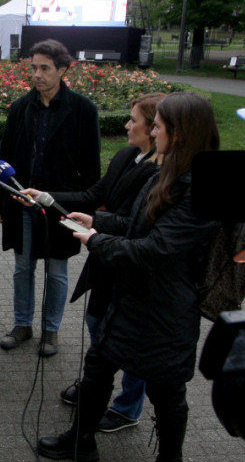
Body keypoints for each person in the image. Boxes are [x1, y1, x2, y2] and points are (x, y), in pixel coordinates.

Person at [34, 92, 220, 462]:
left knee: (167, 394)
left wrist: (97, 241)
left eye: (158, 125)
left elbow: (153, 250)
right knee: (98, 367)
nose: (151, 131)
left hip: (164, 313)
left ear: (179, 133)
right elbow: (137, 226)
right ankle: (81, 441)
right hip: (131, 300)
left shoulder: (198, 188)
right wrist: (96, 221)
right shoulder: (168, 173)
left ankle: (170, 459)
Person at [53, 93, 166, 433]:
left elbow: (134, 223)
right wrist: (45, 196)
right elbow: (94, 196)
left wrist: (97, 224)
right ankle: (96, 385)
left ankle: (128, 406)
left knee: (130, 337)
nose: (127, 125)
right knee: (96, 320)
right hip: (106, 257)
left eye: (135, 120)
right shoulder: (126, 155)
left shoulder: (162, 174)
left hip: (131, 264)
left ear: (156, 128)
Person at [0, 39, 100, 357]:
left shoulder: (83, 110)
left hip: (60, 206)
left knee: (57, 270)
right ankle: (22, 325)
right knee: (23, 268)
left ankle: (50, 331)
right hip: (22, 202)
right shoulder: (21, 107)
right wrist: (0, 201)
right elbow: (5, 156)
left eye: (44, 68)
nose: (37, 75)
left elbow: (91, 168)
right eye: (33, 68)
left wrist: (83, 209)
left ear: (62, 70)